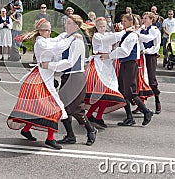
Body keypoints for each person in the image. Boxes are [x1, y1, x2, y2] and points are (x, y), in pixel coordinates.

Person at [8, 18, 79, 150]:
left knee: (39, 108)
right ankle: (50, 139)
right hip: (40, 79)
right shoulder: (41, 43)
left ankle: (27, 129)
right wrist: (71, 38)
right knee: (53, 108)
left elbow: (56, 40)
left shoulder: (45, 40)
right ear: (40, 31)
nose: (49, 31)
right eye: (47, 29)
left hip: (44, 78)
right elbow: (58, 46)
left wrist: (67, 34)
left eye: (50, 29)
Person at [42, 15, 98, 146]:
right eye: (66, 22)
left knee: (75, 109)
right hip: (67, 77)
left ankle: (91, 129)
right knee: (62, 107)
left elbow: (70, 62)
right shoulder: (65, 37)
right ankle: (70, 136)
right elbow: (53, 42)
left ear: (76, 26)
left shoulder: (77, 41)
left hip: (76, 77)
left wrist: (50, 66)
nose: (65, 25)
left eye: (68, 23)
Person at [109, 14, 153, 127]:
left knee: (130, 91)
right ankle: (129, 117)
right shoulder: (127, 34)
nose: (122, 23)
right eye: (122, 20)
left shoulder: (132, 35)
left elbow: (125, 51)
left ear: (130, 22)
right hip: (124, 63)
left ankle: (146, 111)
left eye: (125, 21)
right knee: (123, 90)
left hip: (130, 64)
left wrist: (110, 55)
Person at [84, 17, 126, 129]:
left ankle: (93, 116)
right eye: (100, 26)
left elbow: (114, 41)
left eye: (104, 26)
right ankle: (94, 116)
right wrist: (124, 31)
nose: (102, 28)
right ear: (96, 27)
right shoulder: (97, 36)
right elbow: (110, 39)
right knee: (103, 92)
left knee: (107, 93)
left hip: (107, 63)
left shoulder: (107, 34)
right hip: (99, 64)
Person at [138, 12, 162, 114]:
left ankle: (157, 99)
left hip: (150, 55)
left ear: (152, 20)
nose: (144, 20)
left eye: (146, 18)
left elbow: (152, 42)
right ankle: (141, 104)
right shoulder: (142, 29)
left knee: (151, 79)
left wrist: (147, 51)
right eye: (143, 18)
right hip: (141, 55)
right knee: (141, 79)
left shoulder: (154, 30)